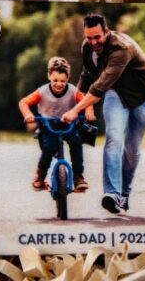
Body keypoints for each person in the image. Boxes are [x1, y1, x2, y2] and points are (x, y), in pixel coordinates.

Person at [61, 13, 145, 215]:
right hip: (116, 95)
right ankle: (112, 194)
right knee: (113, 138)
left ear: (107, 31)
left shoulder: (121, 49)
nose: (93, 42)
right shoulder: (87, 47)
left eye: (97, 37)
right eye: (89, 37)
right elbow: (88, 75)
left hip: (142, 97)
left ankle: (123, 195)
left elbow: (99, 87)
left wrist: (75, 110)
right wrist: (79, 104)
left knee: (132, 148)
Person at [19, 57, 95, 193]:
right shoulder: (42, 92)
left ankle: (78, 177)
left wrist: (89, 112)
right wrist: (28, 115)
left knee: (76, 143)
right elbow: (24, 102)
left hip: (68, 124)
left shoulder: (73, 91)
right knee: (48, 147)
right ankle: (40, 177)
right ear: (49, 76)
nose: (59, 84)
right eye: (55, 80)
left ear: (68, 79)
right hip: (48, 125)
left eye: (63, 81)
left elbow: (86, 101)